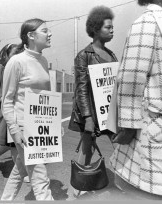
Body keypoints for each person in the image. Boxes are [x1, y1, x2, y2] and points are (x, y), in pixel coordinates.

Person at [109, 0, 162, 198]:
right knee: (142, 190)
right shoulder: (149, 23)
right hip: (151, 129)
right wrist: (128, 128)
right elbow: (131, 79)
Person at [1, 18, 56, 200]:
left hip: (41, 126)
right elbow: (6, 101)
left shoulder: (43, 60)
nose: (50, 34)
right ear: (31, 36)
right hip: (24, 129)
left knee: (20, 169)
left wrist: (54, 124)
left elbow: (45, 97)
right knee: (40, 178)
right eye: (45, 31)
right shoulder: (16, 62)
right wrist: (14, 130)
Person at [67, 6, 117, 199]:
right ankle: (76, 191)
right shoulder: (84, 55)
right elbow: (81, 89)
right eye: (108, 27)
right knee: (87, 150)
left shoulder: (111, 55)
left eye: (112, 27)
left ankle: (123, 181)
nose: (112, 30)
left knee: (120, 146)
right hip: (90, 114)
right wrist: (88, 117)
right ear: (96, 29)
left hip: (109, 112)